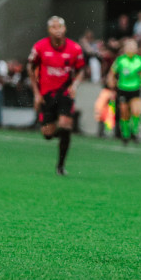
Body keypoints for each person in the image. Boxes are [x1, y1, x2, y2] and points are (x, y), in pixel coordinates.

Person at [27, 16, 86, 176]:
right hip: (46, 94)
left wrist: (75, 85)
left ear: (65, 29)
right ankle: (61, 134)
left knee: (66, 124)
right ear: (49, 30)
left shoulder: (75, 48)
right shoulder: (40, 47)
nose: (57, 29)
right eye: (54, 27)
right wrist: (36, 93)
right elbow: (30, 67)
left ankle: (60, 165)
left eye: (60, 26)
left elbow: (81, 69)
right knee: (47, 134)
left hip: (65, 93)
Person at [107, 38, 141, 144]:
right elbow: (112, 73)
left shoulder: (140, 60)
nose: (131, 48)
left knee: (136, 111)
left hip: (135, 88)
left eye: (133, 46)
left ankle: (135, 131)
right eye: (129, 46)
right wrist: (111, 83)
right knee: (124, 112)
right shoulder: (120, 60)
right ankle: (125, 134)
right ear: (125, 48)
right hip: (123, 88)